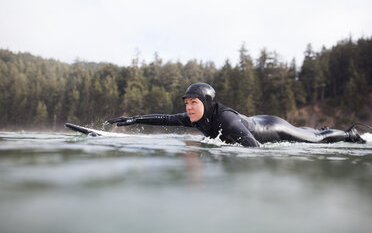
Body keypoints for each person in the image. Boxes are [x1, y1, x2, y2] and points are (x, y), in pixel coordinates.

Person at [106, 82, 366, 147]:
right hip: (259, 119)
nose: (188, 108)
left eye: (193, 102)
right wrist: (133, 119)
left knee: (315, 139)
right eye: (186, 103)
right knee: (310, 131)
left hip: (272, 129)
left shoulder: (226, 121)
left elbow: (254, 149)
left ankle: (351, 134)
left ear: (206, 103)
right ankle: (318, 128)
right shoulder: (195, 117)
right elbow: (164, 119)